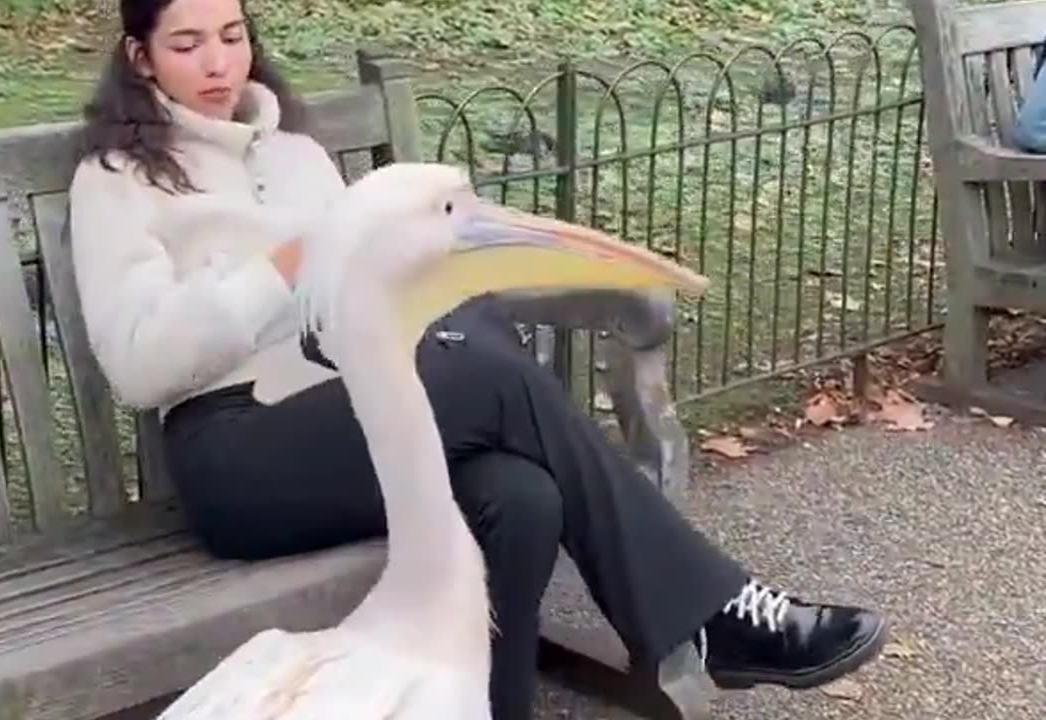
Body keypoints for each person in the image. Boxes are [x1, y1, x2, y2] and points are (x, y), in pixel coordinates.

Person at [67, 1, 889, 717]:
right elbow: (141, 367)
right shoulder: (118, 179)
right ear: (140, 57)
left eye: (232, 33)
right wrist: (281, 266)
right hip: (237, 452)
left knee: (521, 495)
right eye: (186, 43)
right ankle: (714, 615)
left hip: (351, 418)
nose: (217, 61)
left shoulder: (296, 157)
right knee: (489, 373)